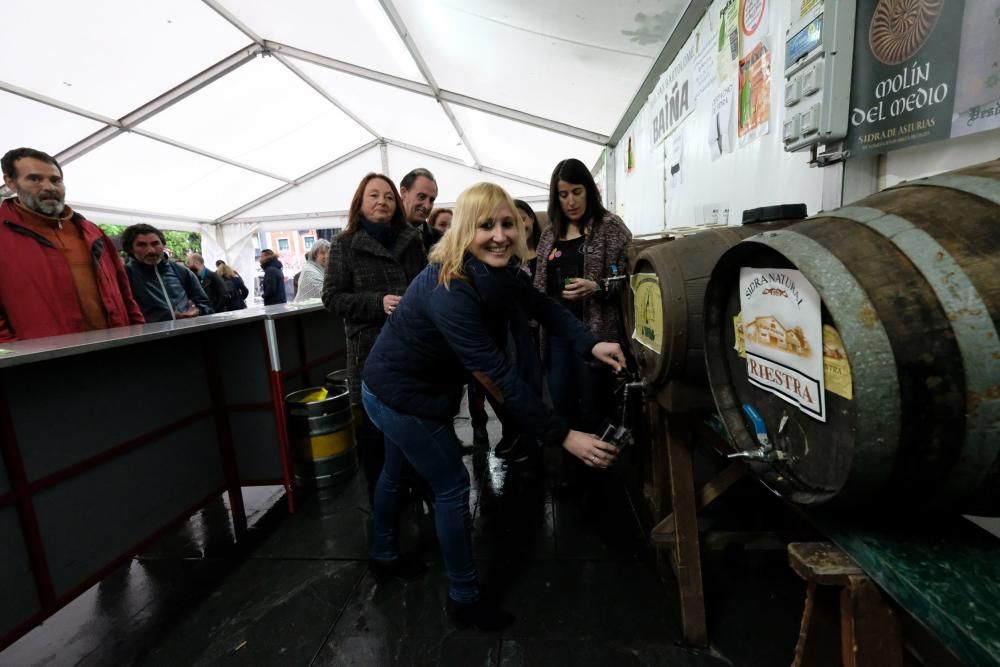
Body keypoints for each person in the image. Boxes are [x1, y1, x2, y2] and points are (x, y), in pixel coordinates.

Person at [362, 182, 625, 630]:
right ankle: (464, 598)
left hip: (403, 388)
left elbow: (541, 304)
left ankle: (383, 556)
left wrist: (590, 343)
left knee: (395, 471)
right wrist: (563, 436)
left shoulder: (497, 270)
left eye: (506, 224)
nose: (500, 235)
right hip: (398, 395)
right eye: (486, 225)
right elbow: (497, 374)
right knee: (449, 485)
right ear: (465, 230)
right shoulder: (451, 289)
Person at [322, 173, 427, 502]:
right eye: (373, 195)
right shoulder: (344, 243)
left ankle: (418, 496)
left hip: (411, 348)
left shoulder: (411, 240)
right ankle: (384, 508)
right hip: (368, 350)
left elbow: (425, 288)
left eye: (388, 196)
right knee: (374, 434)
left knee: (414, 427)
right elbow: (332, 297)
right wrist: (376, 303)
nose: (382, 201)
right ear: (360, 202)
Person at [533, 159, 632, 487]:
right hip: (558, 336)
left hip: (596, 332)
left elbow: (630, 276)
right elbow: (538, 287)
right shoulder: (549, 235)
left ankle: (602, 472)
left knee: (594, 405)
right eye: (563, 194)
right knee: (562, 403)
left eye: (577, 192)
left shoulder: (610, 227)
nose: (571, 201)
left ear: (589, 190)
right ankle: (573, 471)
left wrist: (599, 286)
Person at [0, 147, 144, 341]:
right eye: (35, 179)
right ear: (11, 182)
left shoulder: (91, 231)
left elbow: (125, 293)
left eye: (55, 180)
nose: (49, 187)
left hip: (115, 353)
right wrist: (19, 357)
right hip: (45, 364)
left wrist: (137, 337)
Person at [123, 224, 213, 322]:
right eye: (142, 245)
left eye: (155, 243)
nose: (151, 250)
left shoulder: (181, 271)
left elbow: (204, 303)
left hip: (187, 333)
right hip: (150, 336)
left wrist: (197, 311)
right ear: (130, 249)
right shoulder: (124, 275)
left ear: (163, 245)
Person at [399, 167, 441, 252]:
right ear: (403, 193)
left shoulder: (440, 241)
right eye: (421, 197)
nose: (427, 206)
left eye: (431, 200)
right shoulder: (381, 233)